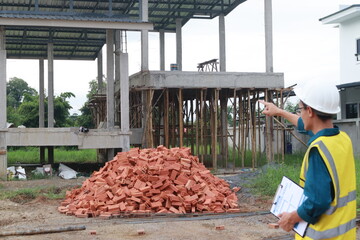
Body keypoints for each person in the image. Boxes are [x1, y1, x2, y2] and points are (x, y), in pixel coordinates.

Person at [259, 82, 356, 240]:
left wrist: (290, 218)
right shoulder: (342, 139)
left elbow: (317, 202)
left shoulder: (319, 151)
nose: (300, 113)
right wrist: (279, 112)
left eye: (300, 109)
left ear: (309, 111)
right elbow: (305, 125)